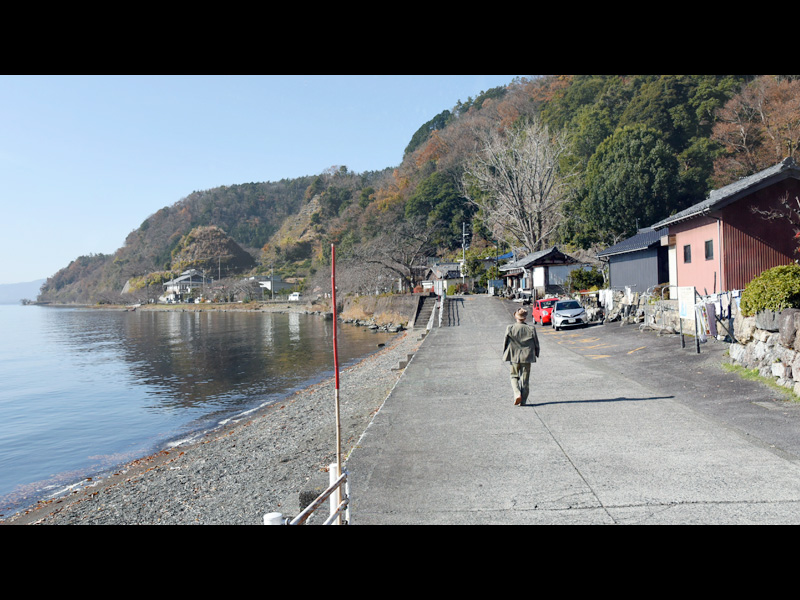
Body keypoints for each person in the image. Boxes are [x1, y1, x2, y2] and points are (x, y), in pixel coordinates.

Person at [502, 307, 540, 405]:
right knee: (525, 379)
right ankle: (523, 401)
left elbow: (505, 342)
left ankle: (517, 393)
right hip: (527, 357)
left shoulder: (510, 328)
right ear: (525, 318)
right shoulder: (531, 328)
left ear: (516, 317)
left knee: (514, 376)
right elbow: (536, 342)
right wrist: (537, 353)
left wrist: (504, 353)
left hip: (514, 356)